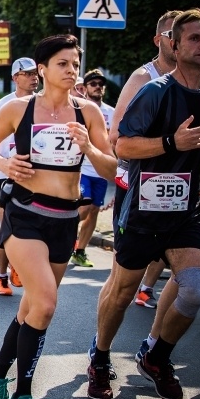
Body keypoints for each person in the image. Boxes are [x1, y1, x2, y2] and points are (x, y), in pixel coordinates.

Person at [0, 34, 115, 399]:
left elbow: (112, 169)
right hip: (24, 215)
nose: (72, 71)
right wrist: (5, 164)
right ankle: (23, 397)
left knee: (31, 308)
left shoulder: (88, 112)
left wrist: (89, 148)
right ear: (43, 69)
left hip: (64, 219)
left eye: (75, 64)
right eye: (63, 64)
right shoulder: (19, 108)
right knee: (47, 303)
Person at [87, 8, 200, 399]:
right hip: (142, 207)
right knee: (123, 291)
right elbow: (122, 145)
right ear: (173, 44)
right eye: (194, 38)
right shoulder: (154, 89)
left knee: (195, 289)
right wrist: (173, 142)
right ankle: (100, 357)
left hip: (184, 212)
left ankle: (155, 357)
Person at [0, 57, 39, 296]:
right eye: (28, 73)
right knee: (7, 226)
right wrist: (4, 163)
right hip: (6, 173)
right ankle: (1, 276)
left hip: (35, 174)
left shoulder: (43, 102)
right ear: (15, 77)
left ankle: (19, 266)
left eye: (36, 73)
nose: (34, 77)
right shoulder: (3, 105)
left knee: (31, 226)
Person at [70, 69, 115, 267]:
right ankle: (62, 234)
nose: (98, 87)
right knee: (85, 207)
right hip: (82, 168)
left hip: (101, 169)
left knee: (94, 210)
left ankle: (80, 251)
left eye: (101, 84)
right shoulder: (80, 109)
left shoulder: (112, 112)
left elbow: (115, 141)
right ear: (85, 88)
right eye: (93, 84)